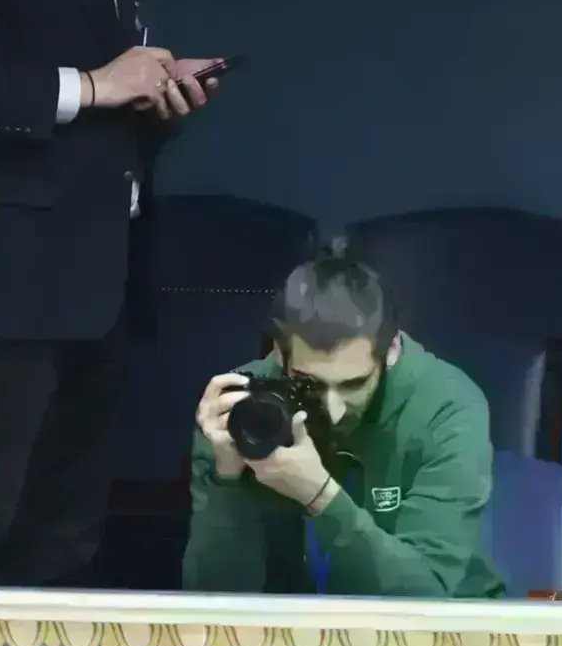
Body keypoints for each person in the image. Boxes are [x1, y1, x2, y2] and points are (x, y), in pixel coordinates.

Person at [0, 0, 226, 587]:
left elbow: (108, 78)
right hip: (11, 278)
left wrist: (151, 98)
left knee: (67, 535)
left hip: (101, 272)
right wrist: (91, 86)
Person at [184, 255, 504, 599]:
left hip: (448, 624)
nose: (334, 411)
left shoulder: (448, 405)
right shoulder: (239, 408)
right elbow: (211, 604)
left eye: (353, 385)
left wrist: (319, 495)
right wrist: (227, 480)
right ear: (279, 353)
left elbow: (424, 598)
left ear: (392, 350)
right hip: (294, 626)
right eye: (310, 384)